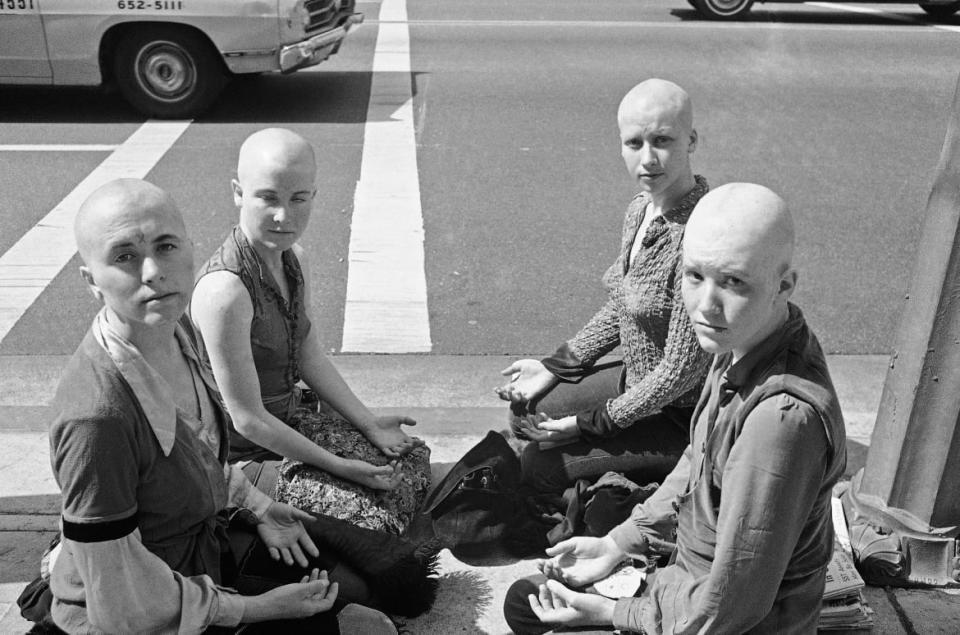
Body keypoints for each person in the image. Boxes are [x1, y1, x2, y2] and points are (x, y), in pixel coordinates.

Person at [44, 178, 402, 634]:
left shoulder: (174, 328)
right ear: (91, 281)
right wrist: (260, 609)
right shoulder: (96, 419)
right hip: (152, 610)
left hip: (199, 556)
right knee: (368, 628)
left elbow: (198, 448)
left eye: (166, 245)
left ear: (190, 248)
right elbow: (120, 603)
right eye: (125, 256)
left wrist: (258, 507)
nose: (153, 271)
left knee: (374, 582)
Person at [502, 183, 848, 634]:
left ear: (784, 285)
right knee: (527, 603)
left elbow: (730, 607)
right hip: (683, 582)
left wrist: (614, 614)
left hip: (716, 618)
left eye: (734, 282)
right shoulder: (743, 337)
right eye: (694, 276)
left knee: (542, 606)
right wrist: (618, 543)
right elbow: (695, 461)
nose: (706, 305)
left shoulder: (779, 422)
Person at [191, 128, 430, 533]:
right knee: (376, 519)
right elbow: (248, 421)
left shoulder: (291, 257)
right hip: (242, 460)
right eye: (267, 198)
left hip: (295, 425)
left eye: (298, 199)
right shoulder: (225, 292)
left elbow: (307, 353)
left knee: (410, 459)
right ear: (238, 192)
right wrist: (340, 467)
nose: (284, 216)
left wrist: (367, 423)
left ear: (313, 196)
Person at [496, 79, 712, 493]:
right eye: (634, 143)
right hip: (637, 383)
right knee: (526, 413)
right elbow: (623, 304)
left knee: (541, 467)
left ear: (691, 140)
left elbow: (680, 372)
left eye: (662, 140)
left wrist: (592, 424)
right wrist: (555, 365)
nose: (648, 159)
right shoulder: (639, 210)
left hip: (683, 416)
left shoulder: (700, 234)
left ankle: (648, 497)